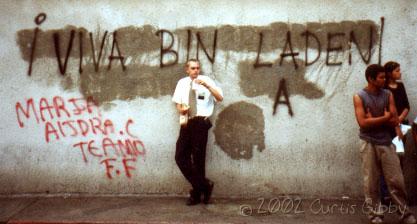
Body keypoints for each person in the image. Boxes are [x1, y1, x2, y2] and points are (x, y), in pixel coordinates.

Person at [353, 64, 416, 224]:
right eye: (381, 77)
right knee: (371, 181)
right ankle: (375, 215)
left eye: (384, 77)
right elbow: (363, 123)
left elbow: (394, 120)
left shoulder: (388, 94)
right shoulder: (359, 96)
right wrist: (384, 117)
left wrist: (375, 118)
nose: (384, 80)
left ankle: (405, 214)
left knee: (396, 180)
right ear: (371, 79)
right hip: (368, 142)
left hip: (386, 142)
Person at [172, 59, 223, 205]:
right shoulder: (182, 83)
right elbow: (177, 102)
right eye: (193, 68)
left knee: (198, 160)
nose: (196, 71)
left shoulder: (206, 81)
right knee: (180, 156)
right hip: (186, 122)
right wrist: (180, 109)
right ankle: (205, 186)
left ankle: (196, 194)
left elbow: (219, 98)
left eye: (198, 68)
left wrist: (207, 86)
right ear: (187, 70)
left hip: (200, 123)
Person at [379, 61, 410, 204]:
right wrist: (395, 122)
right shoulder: (384, 89)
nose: (400, 73)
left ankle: (399, 195)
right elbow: (384, 109)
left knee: (399, 160)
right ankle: (386, 194)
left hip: (400, 126)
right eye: (397, 71)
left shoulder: (401, 86)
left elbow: (406, 106)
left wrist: (399, 120)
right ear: (390, 73)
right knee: (386, 161)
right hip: (387, 128)